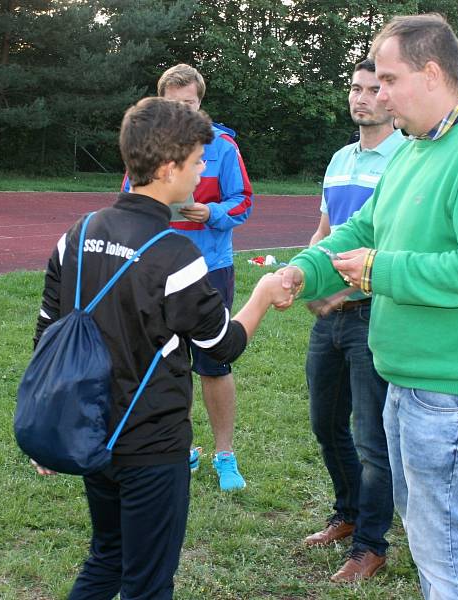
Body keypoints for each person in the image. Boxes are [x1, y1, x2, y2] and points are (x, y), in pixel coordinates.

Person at [278, 14, 458, 599]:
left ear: (430, 72)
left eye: (390, 79)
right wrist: (305, 267)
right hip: (414, 383)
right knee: (428, 538)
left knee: (446, 547)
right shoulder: (415, 150)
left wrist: (380, 270)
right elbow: (362, 228)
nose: (380, 92)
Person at [32, 97, 292, 598]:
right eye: (197, 162)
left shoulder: (77, 234)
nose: (200, 174)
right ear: (170, 168)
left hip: (92, 435)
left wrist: (53, 421)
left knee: (107, 557)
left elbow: (48, 334)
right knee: (148, 583)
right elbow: (223, 344)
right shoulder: (176, 254)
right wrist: (261, 295)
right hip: (152, 447)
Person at [122, 64, 253, 491]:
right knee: (166, 364)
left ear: (200, 103)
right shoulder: (148, 149)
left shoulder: (223, 147)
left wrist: (211, 212)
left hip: (210, 269)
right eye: (174, 105)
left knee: (214, 364)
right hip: (159, 270)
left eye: (190, 104)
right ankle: (182, 449)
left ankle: (225, 454)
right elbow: (130, 200)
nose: (183, 111)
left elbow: (244, 202)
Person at [302, 58, 403, 583]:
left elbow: (396, 242)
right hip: (329, 317)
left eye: (372, 89)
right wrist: (309, 281)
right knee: (325, 423)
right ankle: (346, 513)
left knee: (372, 440)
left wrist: (341, 290)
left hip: (372, 314)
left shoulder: (406, 159)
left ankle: (371, 545)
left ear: (390, 96)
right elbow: (325, 231)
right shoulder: (340, 158)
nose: (361, 98)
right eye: (355, 89)